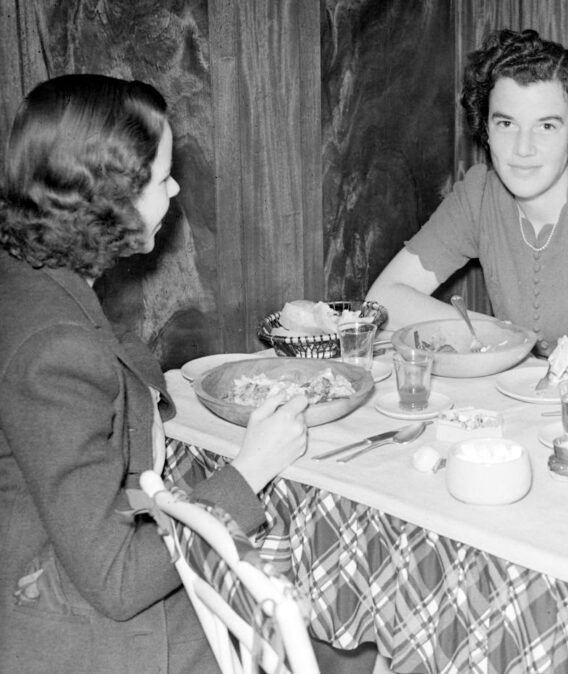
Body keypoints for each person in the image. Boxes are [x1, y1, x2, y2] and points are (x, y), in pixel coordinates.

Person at [0, 75, 338, 673]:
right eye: (160, 178)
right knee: (318, 640)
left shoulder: (29, 279)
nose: (176, 186)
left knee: (317, 636)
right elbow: (118, 577)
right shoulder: (55, 352)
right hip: (73, 633)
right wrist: (250, 468)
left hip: (59, 570)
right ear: (106, 198)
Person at [366, 28, 568, 376]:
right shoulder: (478, 194)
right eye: (506, 123)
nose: (523, 148)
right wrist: (504, 336)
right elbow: (382, 301)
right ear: (485, 128)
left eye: (546, 126)